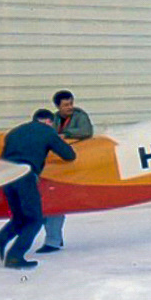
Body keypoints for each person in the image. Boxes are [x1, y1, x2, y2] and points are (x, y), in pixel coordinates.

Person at [0, 108, 76, 269]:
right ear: (50, 122)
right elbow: (69, 155)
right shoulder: (47, 132)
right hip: (25, 176)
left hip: (6, 176)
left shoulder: (14, 132)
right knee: (35, 219)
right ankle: (15, 257)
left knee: (19, 218)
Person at [38, 90, 94, 253]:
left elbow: (85, 131)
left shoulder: (80, 116)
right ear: (58, 107)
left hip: (74, 164)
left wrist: (65, 134)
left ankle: (53, 241)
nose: (70, 107)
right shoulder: (53, 118)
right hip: (57, 165)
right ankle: (54, 239)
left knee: (56, 204)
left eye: (71, 103)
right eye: (66, 105)